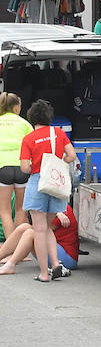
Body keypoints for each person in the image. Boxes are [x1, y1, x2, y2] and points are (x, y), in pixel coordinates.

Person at [18, 99, 76, 282]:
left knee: (39, 230)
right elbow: (71, 156)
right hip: (56, 182)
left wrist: (38, 166)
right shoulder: (58, 133)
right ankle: (56, 264)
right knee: (48, 227)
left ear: (31, 117)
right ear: (49, 117)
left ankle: (44, 273)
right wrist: (56, 164)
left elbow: (24, 168)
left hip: (38, 182)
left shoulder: (29, 139)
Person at [0, 205, 78, 275]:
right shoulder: (53, 208)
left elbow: (41, 231)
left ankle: (10, 264)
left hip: (67, 258)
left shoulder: (63, 210)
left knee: (31, 233)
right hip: (56, 250)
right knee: (24, 227)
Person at [0, 91, 33, 237]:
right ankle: (20, 247)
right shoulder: (25, 124)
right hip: (22, 167)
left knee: (5, 212)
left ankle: (10, 246)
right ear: (16, 107)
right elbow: (33, 146)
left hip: (2, 167)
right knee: (21, 210)